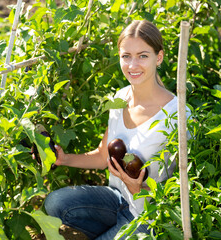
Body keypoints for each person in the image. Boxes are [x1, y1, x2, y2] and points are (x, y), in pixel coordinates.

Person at [44, 19, 186, 239]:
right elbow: (103, 156)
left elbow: (183, 191)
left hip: (150, 215)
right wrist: (64, 159)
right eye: (126, 56)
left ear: (159, 57)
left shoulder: (178, 115)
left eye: (143, 56)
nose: (132, 65)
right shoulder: (121, 98)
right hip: (117, 200)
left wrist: (139, 189)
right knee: (56, 202)